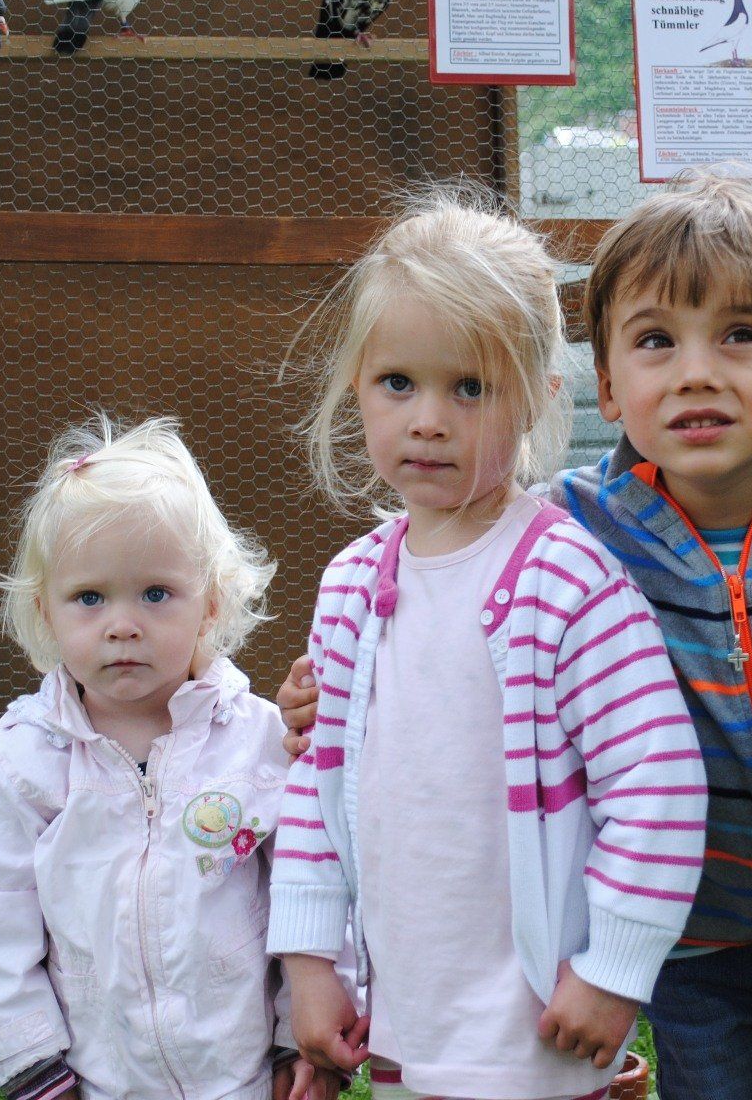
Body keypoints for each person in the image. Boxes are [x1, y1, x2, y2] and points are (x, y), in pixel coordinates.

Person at [280, 170, 752, 1100]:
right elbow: (397, 683)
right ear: (604, 385)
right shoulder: (573, 529)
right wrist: (327, 704)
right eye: (656, 341)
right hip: (698, 934)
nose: (695, 371)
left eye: (739, 334)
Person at [268, 186, 708, 1100]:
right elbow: (316, 787)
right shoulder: (351, 586)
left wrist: (613, 970)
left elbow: (656, 782)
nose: (428, 418)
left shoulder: (566, 580)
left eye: (470, 387)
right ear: (357, 385)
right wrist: (310, 964)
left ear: (540, 399)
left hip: (539, 1024)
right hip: (404, 1022)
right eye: (398, 382)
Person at [0, 417, 333, 1100]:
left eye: (155, 594)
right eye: (89, 598)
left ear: (211, 603)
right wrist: (34, 1068)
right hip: (95, 1081)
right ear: (45, 610)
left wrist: (296, 1039)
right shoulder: (17, 766)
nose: (122, 625)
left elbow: (310, 892)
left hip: (243, 1078)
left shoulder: (261, 744)